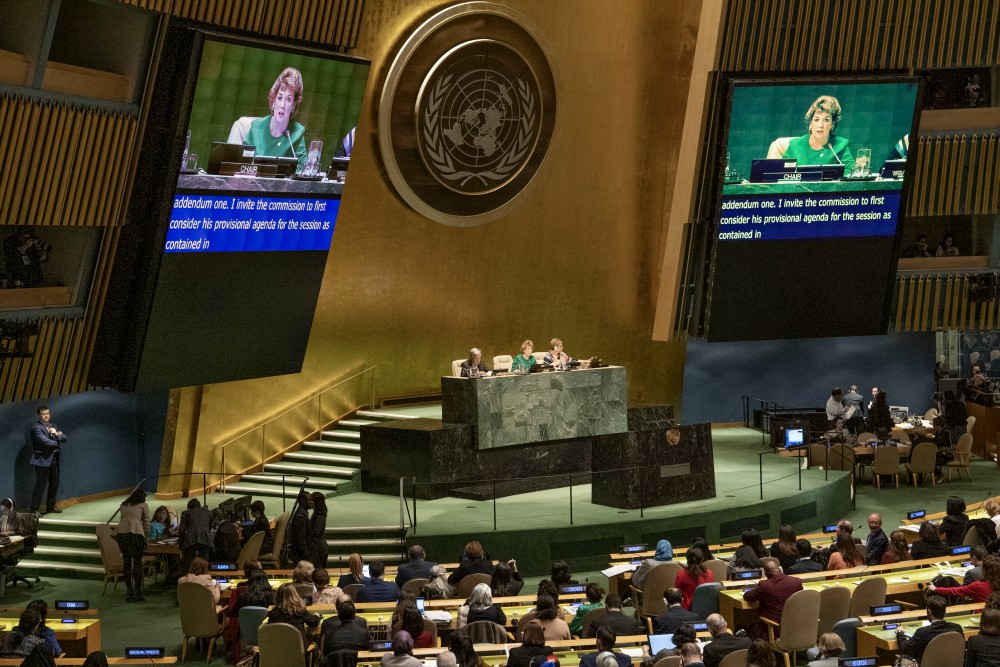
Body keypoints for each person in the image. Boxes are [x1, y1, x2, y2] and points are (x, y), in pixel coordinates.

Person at [241, 67, 307, 170]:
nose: (282, 105)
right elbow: (241, 161)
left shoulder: (296, 133)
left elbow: (303, 168)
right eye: (280, 97)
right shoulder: (256, 127)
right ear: (273, 100)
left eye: (288, 99)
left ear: (293, 105)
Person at [776, 95, 855, 174]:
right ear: (810, 124)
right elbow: (782, 174)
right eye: (816, 119)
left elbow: (851, 173)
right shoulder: (795, 146)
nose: (820, 125)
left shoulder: (840, 146)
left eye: (826, 120)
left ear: (832, 125)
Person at [743, 559, 803, 639]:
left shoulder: (765, 585)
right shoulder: (796, 582)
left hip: (774, 629)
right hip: (795, 627)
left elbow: (747, 596)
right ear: (780, 569)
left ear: (766, 573)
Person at [896, 595, 963, 663]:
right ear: (945, 611)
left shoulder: (922, 632)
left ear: (929, 612)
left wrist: (900, 633)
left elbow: (905, 649)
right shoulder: (957, 628)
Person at [30, 405, 67, 514]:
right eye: (43, 414)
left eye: (48, 413)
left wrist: (57, 435)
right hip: (42, 460)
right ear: (39, 415)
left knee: (54, 484)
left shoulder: (53, 425)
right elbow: (46, 442)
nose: (46, 416)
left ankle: (50, 507)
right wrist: (57, 438)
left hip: (54, 459)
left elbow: (65, 438)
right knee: (40, 485)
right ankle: (34, 509)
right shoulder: (36, 428)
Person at [115, 488, 150, 602]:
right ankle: (137, 592)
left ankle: (128, 591)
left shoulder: (123, 506)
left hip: (121, 534)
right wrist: (147, 537)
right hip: (136, 534)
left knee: (126, 562)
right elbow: (146, 523)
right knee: (137, 562)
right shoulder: (143, 505)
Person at [929, 554, 999, 603]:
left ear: (984, 570)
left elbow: (956, 591)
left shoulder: (978, 586)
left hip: (983, 617)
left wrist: (935, 589)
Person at [177, 498, 212, 566]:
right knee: (204, 562)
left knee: (188, 563)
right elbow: (209, 528)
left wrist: (181, 545)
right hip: (206, 539)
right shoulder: (209, 513)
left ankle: (188, 575)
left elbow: (181, 530)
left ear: (189, 507)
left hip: (190, 540)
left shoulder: (186, 513)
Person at [288, 490, 315, 566]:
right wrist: (308, 559)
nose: (312, 502)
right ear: (302, 501)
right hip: (301, 558)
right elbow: (301, 541)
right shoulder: (300, 517)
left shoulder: (303, 514)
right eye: (309, 500)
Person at [311, 491, 329, 568]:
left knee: (318, 572)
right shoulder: (317, 514)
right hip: (319, 547)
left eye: (311, 500)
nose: (310, 502)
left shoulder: (319, 516)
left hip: (319, 549)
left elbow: (316, 532)